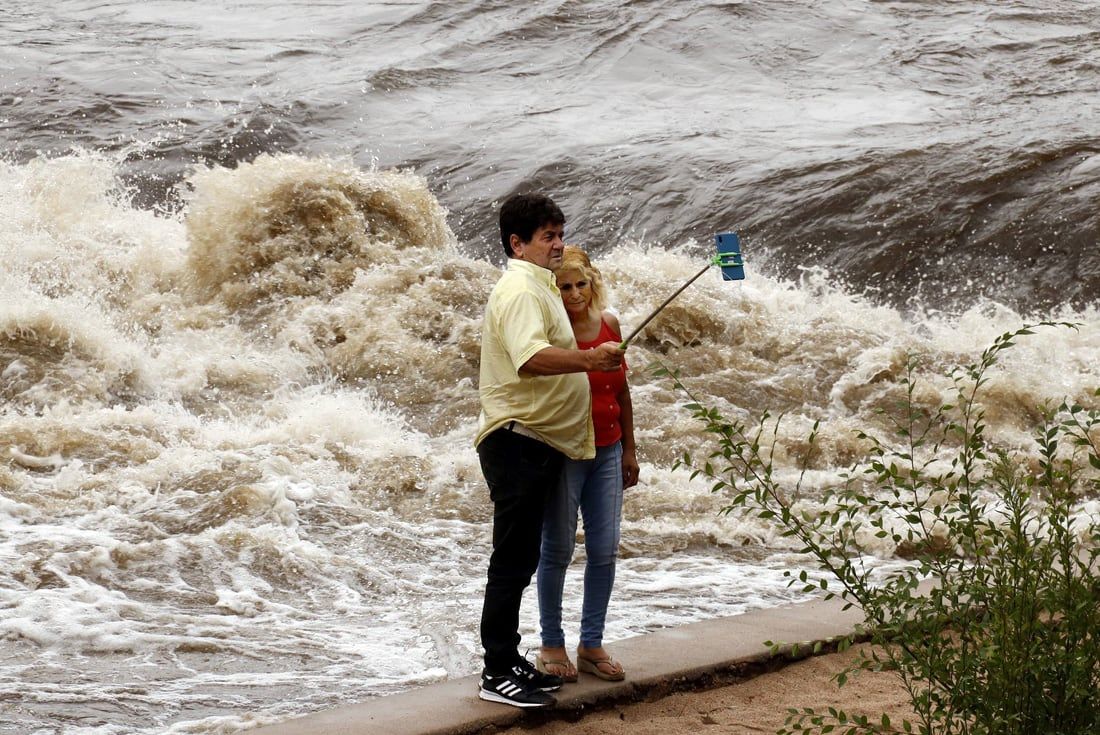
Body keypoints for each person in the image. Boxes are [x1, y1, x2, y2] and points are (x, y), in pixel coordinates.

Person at [474, 193, 625, 708]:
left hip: (538, 442)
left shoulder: (538, 285)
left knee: (521, 559)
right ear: (517, 244)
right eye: (547, 236)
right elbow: (530, 358)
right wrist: (589, 360)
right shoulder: (519, 288)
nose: (559, 244)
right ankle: (496, 671)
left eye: (561, 234)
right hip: (517, 440)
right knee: (512, 561)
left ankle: (511, 661)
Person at [535, 246, 639, 684]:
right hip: (566, 452)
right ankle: (551, 643)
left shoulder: (610, 325)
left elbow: (623, 392)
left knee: (604, 549)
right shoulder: (551, 336)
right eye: (565, 286)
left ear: (593, 284)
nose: (575, 293)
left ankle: (591, 644)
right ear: (552, 291)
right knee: (557, 549)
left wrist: (631, 449)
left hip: (609, 450)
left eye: (581, 284)